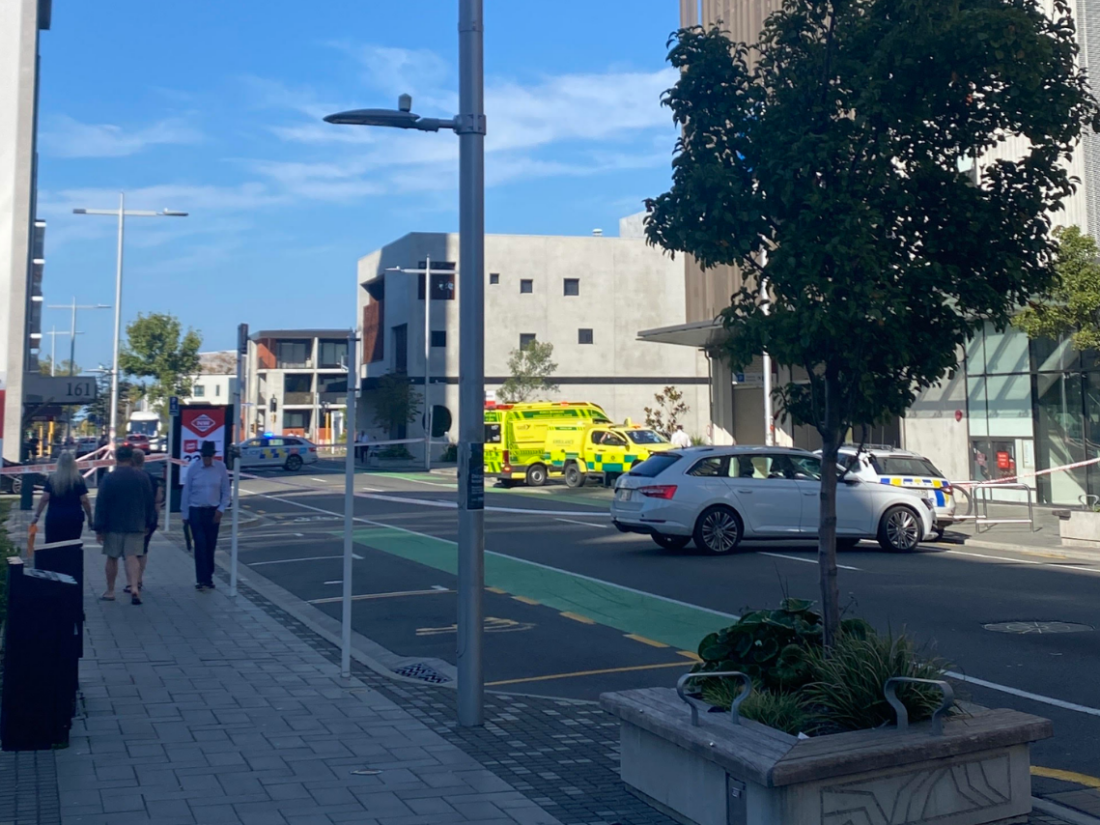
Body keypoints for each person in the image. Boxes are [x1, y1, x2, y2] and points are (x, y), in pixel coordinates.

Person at [93, 444, 156, 605]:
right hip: (136, 523)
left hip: (113, 524)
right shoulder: (142, 477)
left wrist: (99, 527)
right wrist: (150, 522)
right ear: (131, 458)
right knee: (132, 556)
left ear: (116, 458)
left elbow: (101, 504)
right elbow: (149, 501)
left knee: (112, 557)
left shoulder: (109, 478)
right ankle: (134, 586)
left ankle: (110, 590)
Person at [181, 440, 230, 591]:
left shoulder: (220, 468)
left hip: (213, 511)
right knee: (200, 544)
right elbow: (187, 491)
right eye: (205, 456)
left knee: (210, 545)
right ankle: (201, 579)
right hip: (196, 510)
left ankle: (208, 576)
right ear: (201, 455)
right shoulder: (194, 468)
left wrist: (221, 509)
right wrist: (185, 514)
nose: (207, 459)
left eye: (209, 456)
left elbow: (226, 491)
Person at [31, 451, 93, 543]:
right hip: (74, 518)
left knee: (53, 546)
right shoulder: (78, 479)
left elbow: (45, 498)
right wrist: (90, 518)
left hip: (54, 517)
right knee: (72, 546)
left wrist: (37, 516)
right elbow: (84, 500)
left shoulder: (52, 478)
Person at [126, 449, 164, 595]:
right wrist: (155, 518)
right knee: (143, 550)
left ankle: (131, 582)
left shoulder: (128, 478)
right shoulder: (151, 479)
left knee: (130, 551)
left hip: (131, 519)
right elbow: (158, 500)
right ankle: (139, 579)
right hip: (148, 519)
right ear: (143, 461)